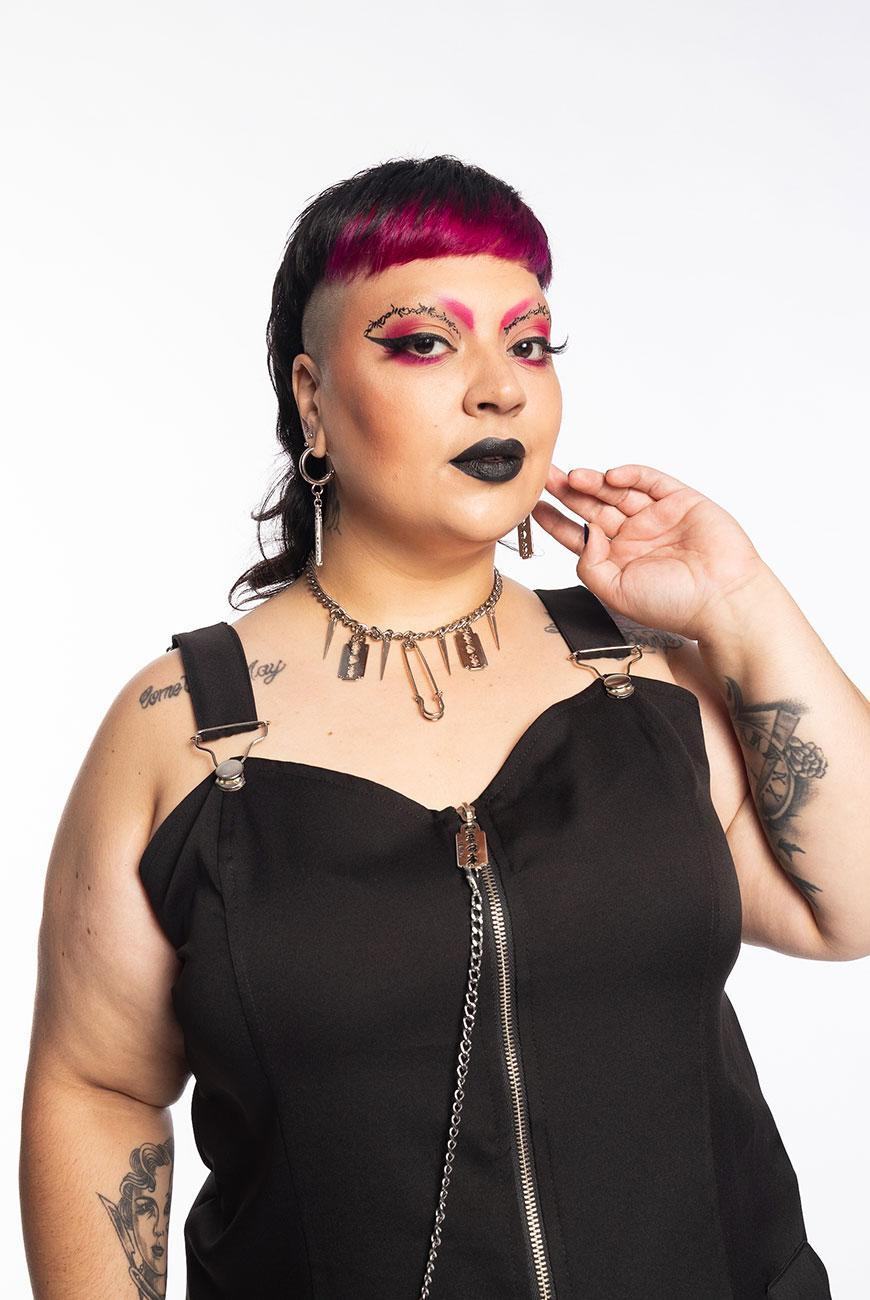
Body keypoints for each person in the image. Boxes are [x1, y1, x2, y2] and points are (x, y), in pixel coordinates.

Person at [22, 154, 866, 1298]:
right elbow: (99, 1089)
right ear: (312, 398)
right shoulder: (188, 729)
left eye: (531, 343)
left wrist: (741, 601)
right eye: (425, 342)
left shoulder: (642, 684)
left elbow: (851, 904)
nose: (499, 389)